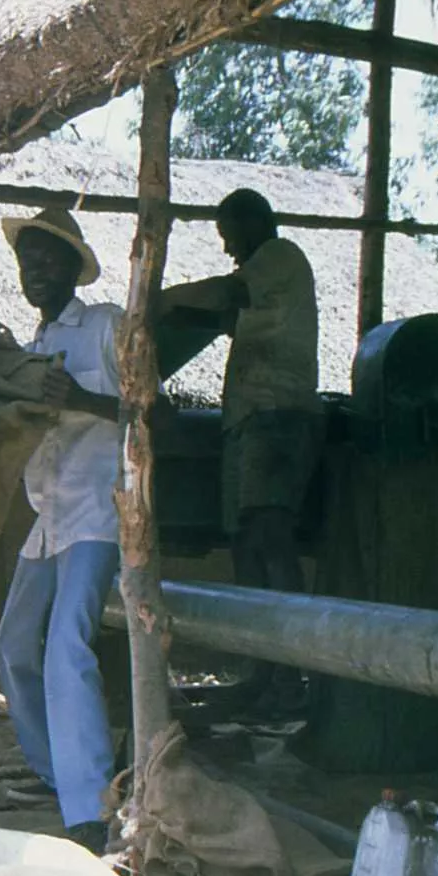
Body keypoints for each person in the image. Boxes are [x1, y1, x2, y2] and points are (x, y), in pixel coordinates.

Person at [0, 208, 124, 855]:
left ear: (75, 265)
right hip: (48, 520)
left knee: (66, 647)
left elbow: (151, 410)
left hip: (99, 513)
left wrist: (81, 399)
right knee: (13, 644)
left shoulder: (105, 327)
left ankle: (92, 807)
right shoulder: (29, 349)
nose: (34, 271)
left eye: (47, 260)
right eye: (26, 262)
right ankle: (57, 771)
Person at [165, 188, 320, 592]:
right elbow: (219, 317)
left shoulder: (279, 255)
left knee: (268, 531)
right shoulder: (265, 290)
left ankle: (287, 644)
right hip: (250, 420)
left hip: (277, 414)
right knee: (245, 540)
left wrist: (158, 299)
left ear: (253, 224)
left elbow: (225, 293)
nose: (227, 248)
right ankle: (261, 649)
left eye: (229, 235)